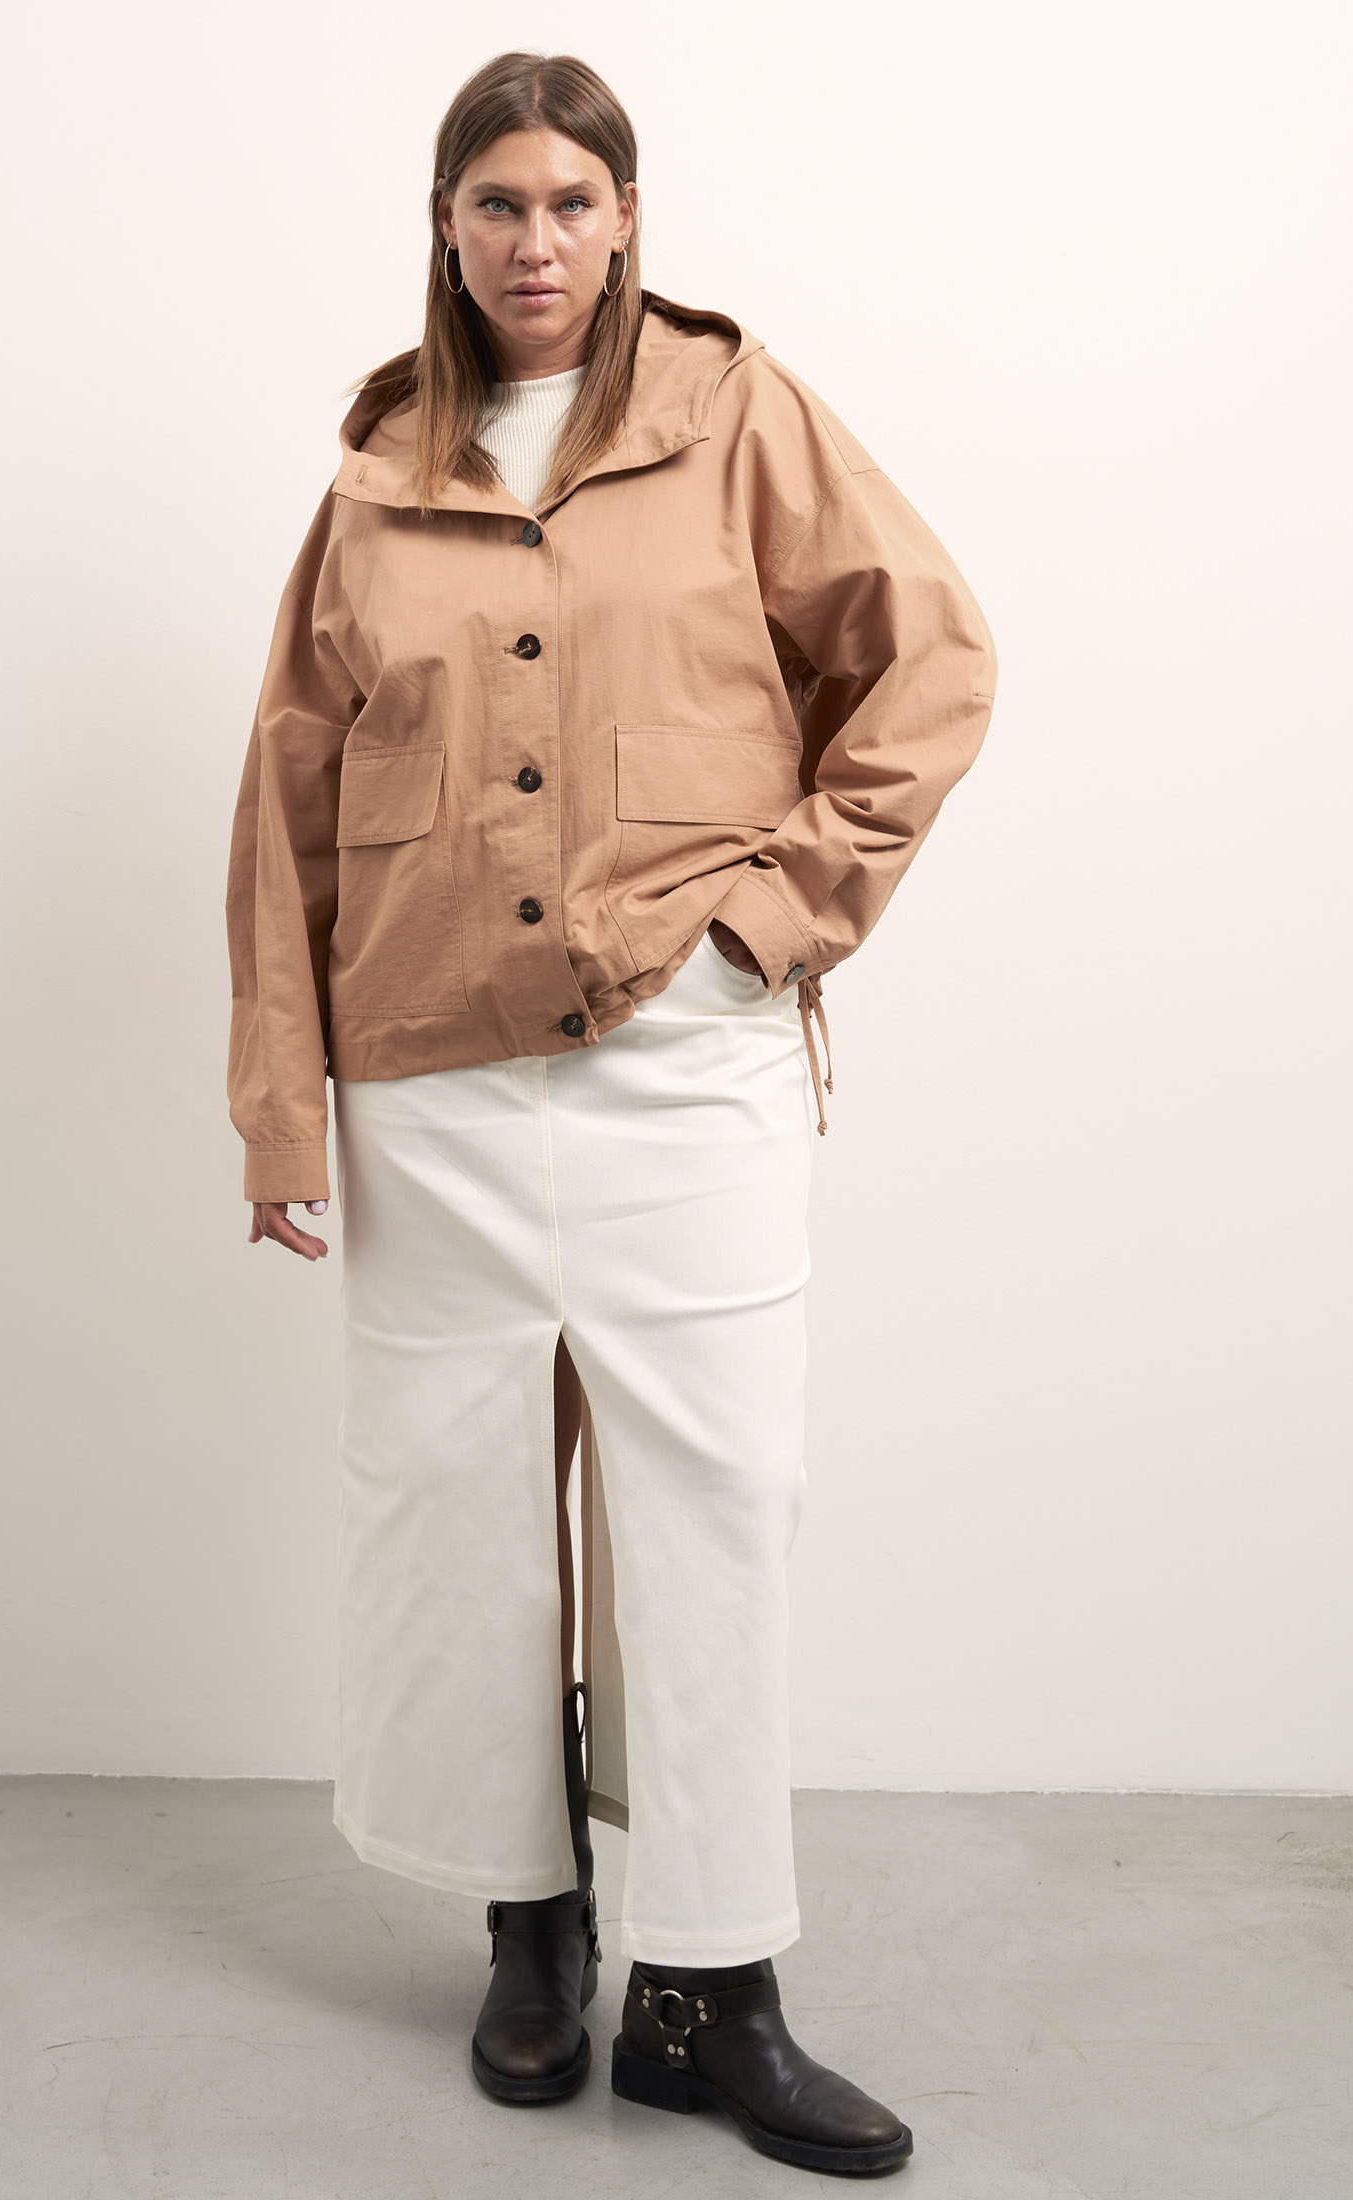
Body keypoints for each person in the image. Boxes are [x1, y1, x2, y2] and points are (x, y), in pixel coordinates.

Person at [225, 48, 996, 2180]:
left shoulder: (740, 416)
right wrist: (281, 1111)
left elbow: (930, 663)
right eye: (498, 204)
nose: (537, 240)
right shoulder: (379, 467)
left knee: (717, 1505)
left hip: (685, 1057)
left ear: (628, 214)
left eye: (573, 200)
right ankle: (532, 1927)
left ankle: (712, 1991)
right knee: (459, 1522)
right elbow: (289, 794)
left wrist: (772, 918)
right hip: (429, 1079)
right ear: (446, 225)